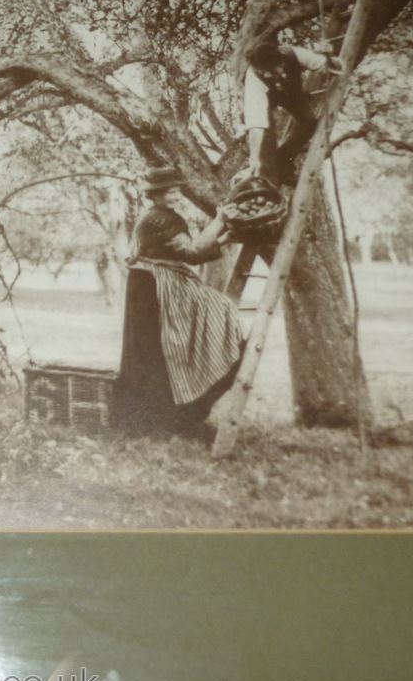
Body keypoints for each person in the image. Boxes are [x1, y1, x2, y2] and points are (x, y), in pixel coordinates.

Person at [114, 165, 244, 440]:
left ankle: (173, 419)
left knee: (157, 355)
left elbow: (190, 253)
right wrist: (220, 220)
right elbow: (193, 252)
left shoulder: (159, 216)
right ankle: (172, 421)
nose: (174, 196)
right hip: (155, 290)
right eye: (167, 192)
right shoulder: (161, 219)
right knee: (164, 353)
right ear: (156, 195)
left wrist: (224, 237)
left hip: (149, 288)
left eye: (175, 190)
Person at [242, 38, 336, 180]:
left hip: (292, 92)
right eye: (263, 72)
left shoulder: (292, 53)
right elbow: (256, 124)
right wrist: (254, 157)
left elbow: (323, 65)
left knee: (309, 123)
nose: (267, 75)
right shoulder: (254, 80)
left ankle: (283, 161)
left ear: (281, 62)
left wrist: (329, 55)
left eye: (271, 71)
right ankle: (268, 177)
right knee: (266, 139)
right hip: (268, 98)